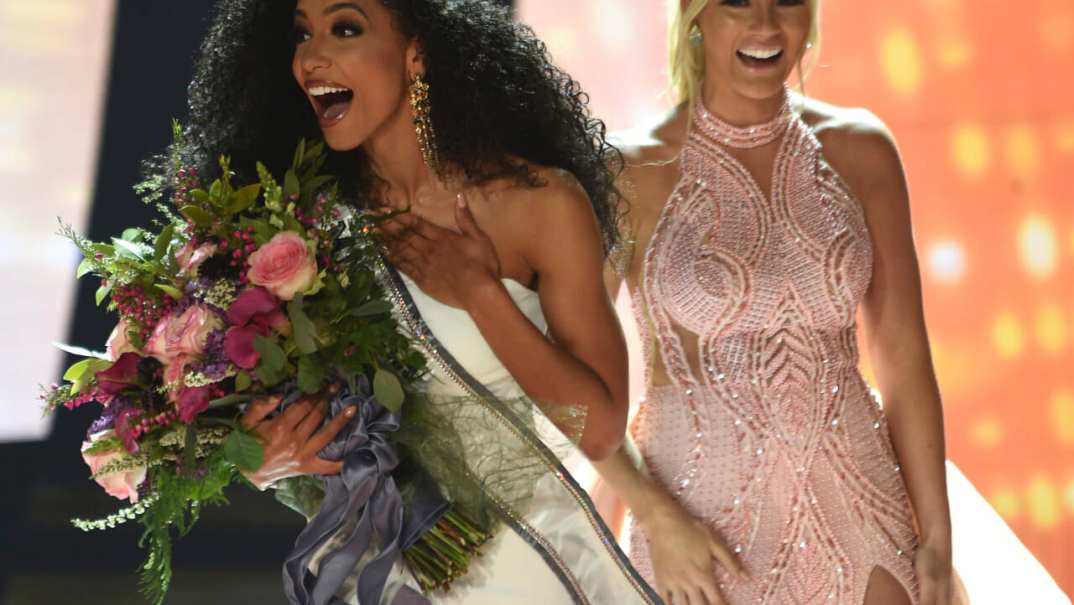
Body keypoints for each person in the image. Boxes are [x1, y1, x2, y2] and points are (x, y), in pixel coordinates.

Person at [164, 0, 662, 603]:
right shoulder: (294, 229)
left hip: (528, 568)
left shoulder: (536, 203)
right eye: (302, 34)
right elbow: (286, 419)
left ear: (417, 53)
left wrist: (479, 293)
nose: (312, 57)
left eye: (345, 28)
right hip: (366, 574)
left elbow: (601, 431)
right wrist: (261, 459)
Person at [595, 1, 957, 603]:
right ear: (693, 15)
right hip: (697, 541)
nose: (765, 23)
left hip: (863, 521)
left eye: (786, 0)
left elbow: (903, 356)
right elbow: (568, 385)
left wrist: (938, 538)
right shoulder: (625, 174)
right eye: (737, 1)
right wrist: (656, 516)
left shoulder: (862, 151)